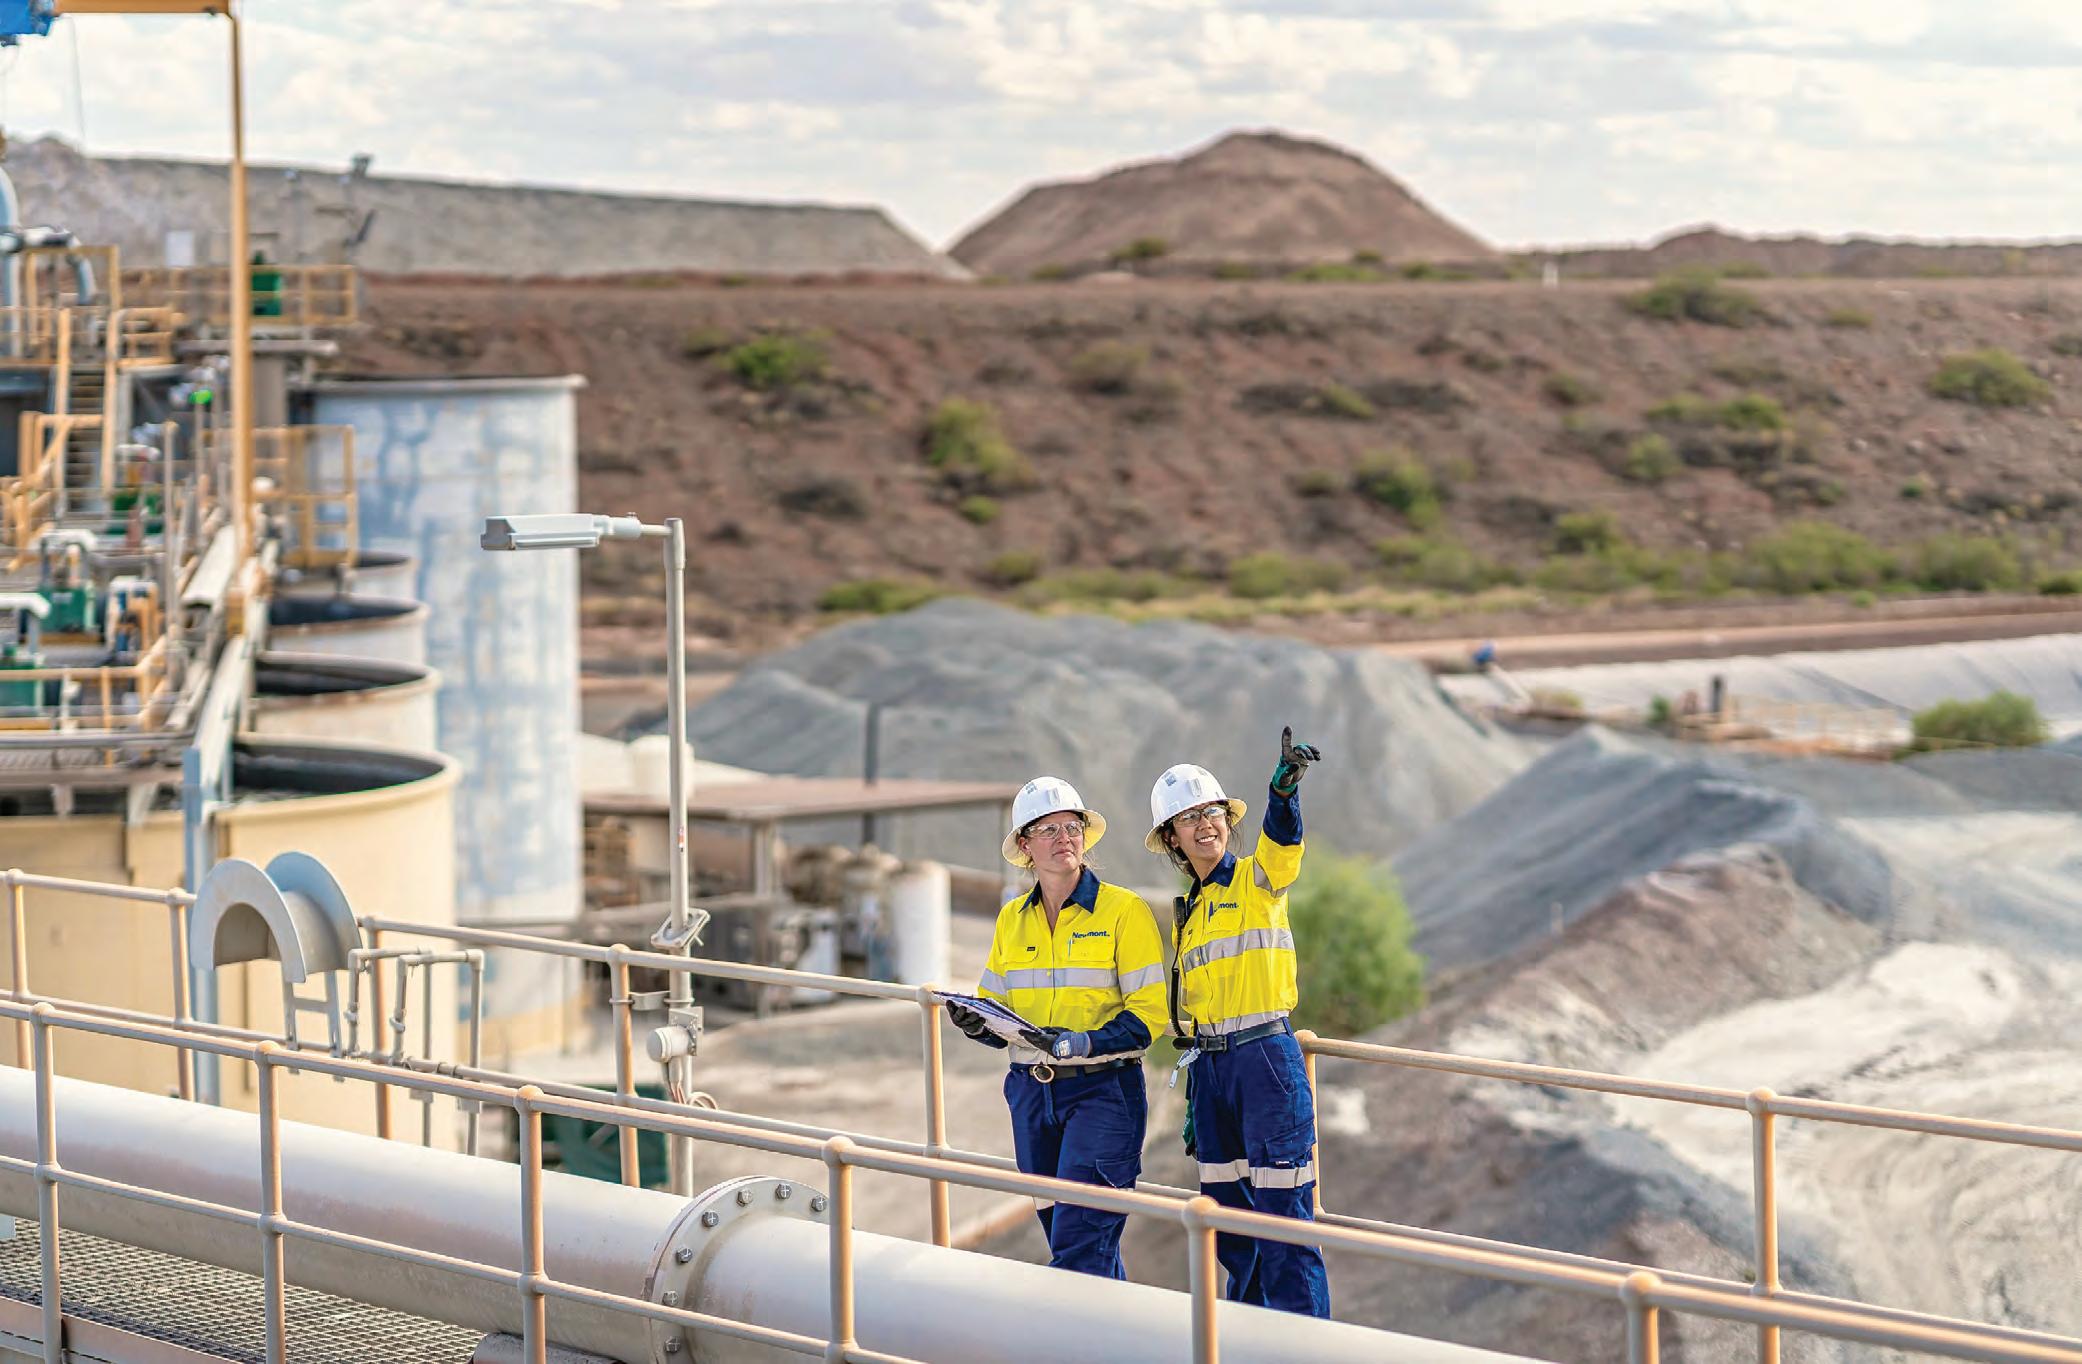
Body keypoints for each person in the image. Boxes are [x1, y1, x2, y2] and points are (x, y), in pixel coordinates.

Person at [945, 775, 1167, 1278]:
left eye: (1073, 827)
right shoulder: (1012, 920)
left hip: (1102, 1093)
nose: (1064, 838)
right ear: (1025, 846)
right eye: (1049, 829)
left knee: (1079, 1245)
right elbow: (997, 1009)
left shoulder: (1124, 911)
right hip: (1030, 1096)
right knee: (1076, 1243)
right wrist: (975, 1023)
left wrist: (1082, 1043)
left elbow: (1150, 1015)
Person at [1147, 727, 1329, 1317]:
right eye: (1190, 818)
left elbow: (1282, 841)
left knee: (1283, 1224)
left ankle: (1302, 1348)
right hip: (1212, 1073)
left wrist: (1283, 795)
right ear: (1172, 838)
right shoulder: (1191, 912)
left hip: (1265, 1064)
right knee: (1229, 1226)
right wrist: (1199, 1095)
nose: (1206, 825)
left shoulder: (1258, 878)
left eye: (1214, 812)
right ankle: (1248, 1340)